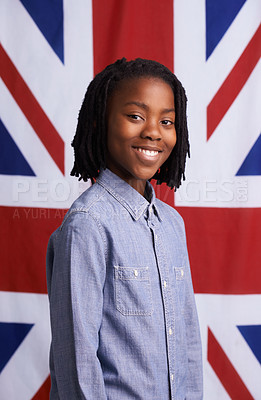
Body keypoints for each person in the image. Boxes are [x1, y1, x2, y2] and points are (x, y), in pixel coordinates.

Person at [46, 58, 203, 399]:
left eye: (166, 121)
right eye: (135, 116)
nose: (152, 131)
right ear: (100, 121)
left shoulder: (172, 225)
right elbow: (77, 362)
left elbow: (188, 337)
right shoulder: (87, 225)